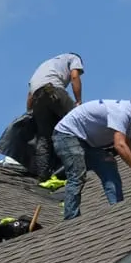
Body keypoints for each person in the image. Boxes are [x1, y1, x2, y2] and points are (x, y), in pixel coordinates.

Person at [52, 90, 131, 220]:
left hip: (85, 141)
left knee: (108, 164)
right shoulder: (122, 112)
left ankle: (118, 210)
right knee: (77, 174)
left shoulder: (127, 114)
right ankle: (71, 220)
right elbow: (120, 146)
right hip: (67, 135)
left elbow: (127, 143)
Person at [26, 53, 85, 181]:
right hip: (53, 90)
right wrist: (78, 101)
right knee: (76, 122)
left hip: (37, 96)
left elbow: (30, 94)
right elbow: (74, 77)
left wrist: (30, 113)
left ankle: (43, 175)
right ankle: (85, 159)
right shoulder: (74, 58)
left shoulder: (46, 65)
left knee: (43, 137)